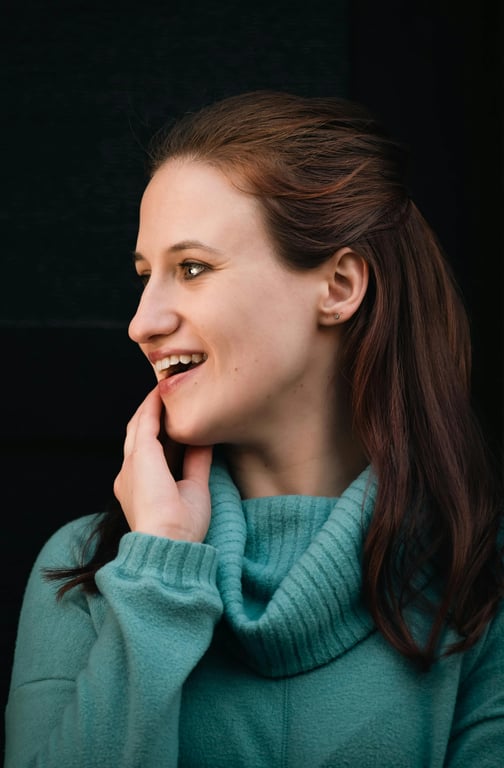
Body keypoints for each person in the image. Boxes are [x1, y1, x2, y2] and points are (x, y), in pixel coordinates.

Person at [4, 91, 504, 767]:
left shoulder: (482, 577)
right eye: (146, 276)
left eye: (192, 268)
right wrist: (154, 578)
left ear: (339, 286)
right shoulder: (84, 571)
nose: (141, 322)